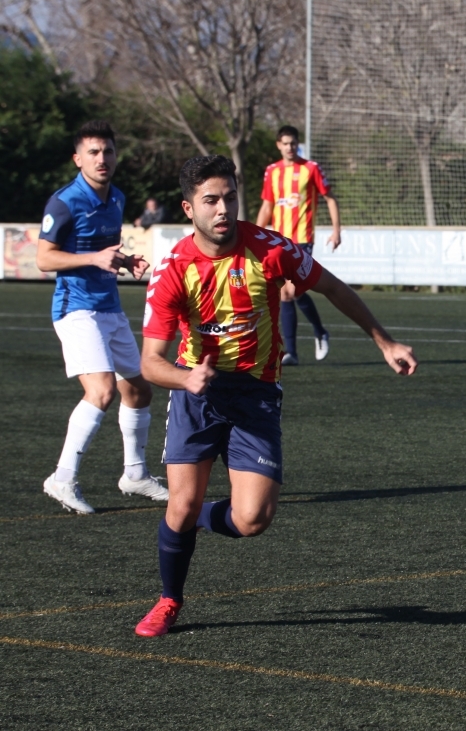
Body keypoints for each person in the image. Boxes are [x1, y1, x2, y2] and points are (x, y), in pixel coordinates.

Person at [134, 155, 417, 637]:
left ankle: (194, 517)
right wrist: (185, 380)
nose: (223, 208)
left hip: (256, 394)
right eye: (211, 200)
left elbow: (332, 286)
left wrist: (384, 340)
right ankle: (169, 599)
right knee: (179, 504)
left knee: (252, 519)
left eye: (229, 198)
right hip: (195, 393)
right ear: (189, 209)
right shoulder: (174, 271)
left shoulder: (270, 249)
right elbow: (150, 362)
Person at [35, 120, 169, 514]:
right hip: (75, 309)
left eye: (108, 151)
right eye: (93, 152)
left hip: (109, 307)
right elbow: (44, 258)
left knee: (140, 389)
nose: (102, 159)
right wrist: (94, 258)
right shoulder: (64, 201)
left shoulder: (117, 198)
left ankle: (135, 474)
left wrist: (125, 259)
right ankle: (62, 478)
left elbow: (103, 247)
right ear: (78, 159)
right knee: (102, 391)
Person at [256, 125, 342, 366]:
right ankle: (292, 352)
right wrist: (254, 234)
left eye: (293, 143)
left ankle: (318, 331)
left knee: (292, 290)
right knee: (286, 293)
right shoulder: (271, 171)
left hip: (303, 238)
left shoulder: (310, 168)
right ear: (278, 145)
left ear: (297, 144)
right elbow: (266, 206)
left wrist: (336, 231)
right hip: (278, 240)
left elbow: (330, 198)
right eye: (285, 143)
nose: (289, 147)